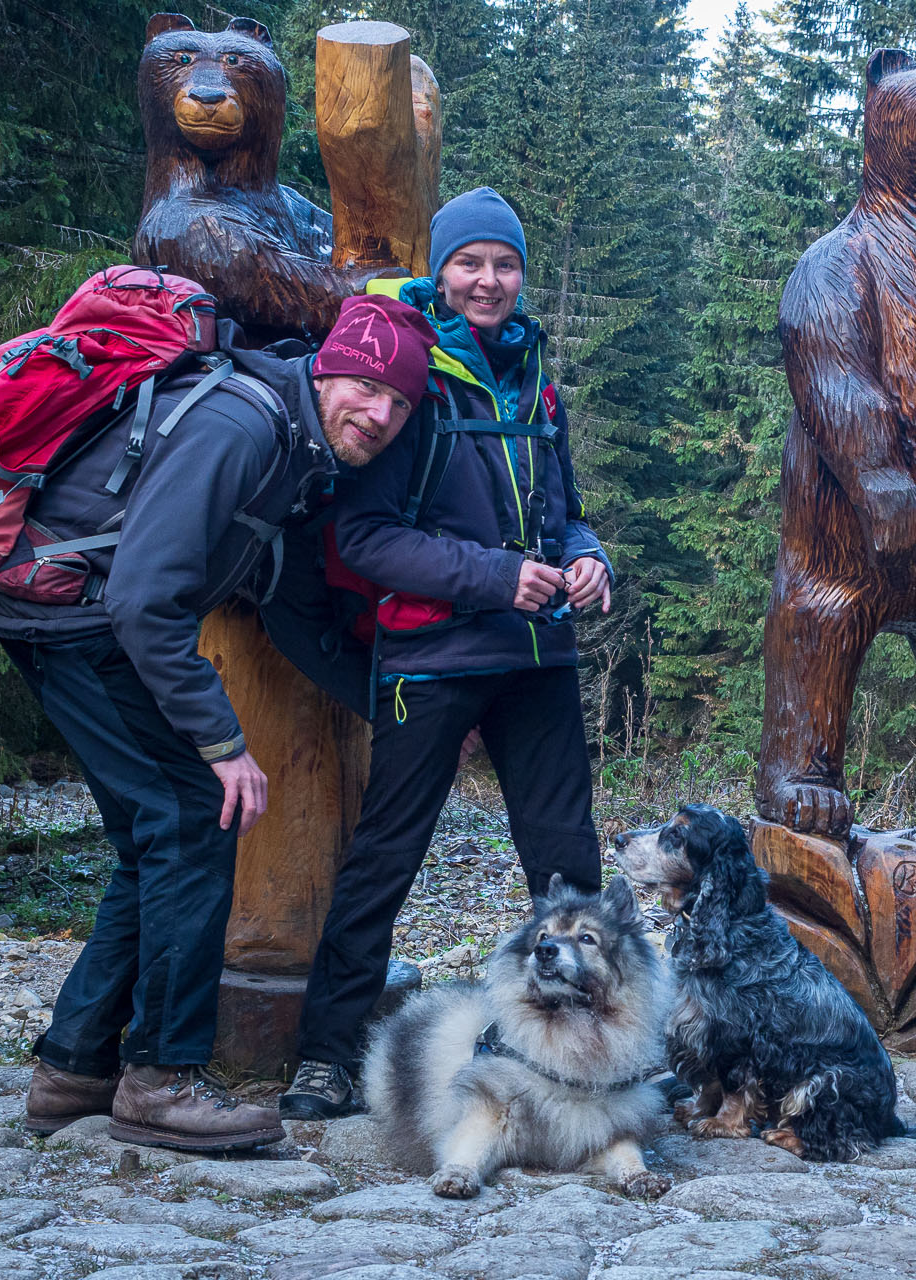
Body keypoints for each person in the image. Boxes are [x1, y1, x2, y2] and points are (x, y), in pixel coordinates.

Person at [2, 293, 437, 1149]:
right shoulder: (243, 427)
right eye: (364, 386)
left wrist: (392, 708)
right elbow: (142, 598)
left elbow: (283, 606)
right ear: (327, 369)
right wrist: (224, 744)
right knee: (196, 820)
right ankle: (161, 1077)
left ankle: (74, 1068)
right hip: (75, 623)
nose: (378, 413)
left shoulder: (295, 451)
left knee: (156, 837)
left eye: (397, 402)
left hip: (77, 621)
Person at [280, 188, 613, 1119]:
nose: (489, 280)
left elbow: (566, 513)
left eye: (503, 264)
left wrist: (588, 559)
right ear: (441, 270)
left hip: (539, 657)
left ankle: (588, 1048)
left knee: (567, 865)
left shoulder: (536, 377)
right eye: (470, 262)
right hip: (432, 658)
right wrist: (495, 576)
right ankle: (325, 1055)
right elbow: (364, 539)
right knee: (386, 857)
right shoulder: (410, 377)